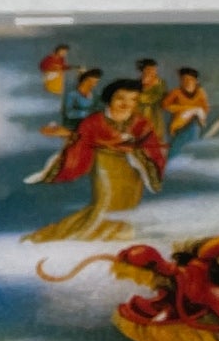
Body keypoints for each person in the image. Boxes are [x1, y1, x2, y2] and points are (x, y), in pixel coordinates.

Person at [25, 78, 168, 241]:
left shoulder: (141, 122)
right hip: (105, 164)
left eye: (133, 99)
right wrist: (69, 134)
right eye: (120, 98)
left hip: (133, 166)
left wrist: (135, 150)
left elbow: (151, 146)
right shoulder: (94, 120)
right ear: (110, 98)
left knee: (129, 201)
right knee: (107, 199)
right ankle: (91, 233)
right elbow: (83, 140)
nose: (126, 103)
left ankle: (117, 232)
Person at [162, 67, 211, 141]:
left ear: (195, 81)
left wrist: (197, 112)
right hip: (179, 125)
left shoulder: (201, 93)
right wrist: (185, 108)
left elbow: (206, 108)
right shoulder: (176, 92)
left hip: (196, 123)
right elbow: (164, 105)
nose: (187, 82)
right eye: (184, 79)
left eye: (190, 79)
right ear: (181, 81)